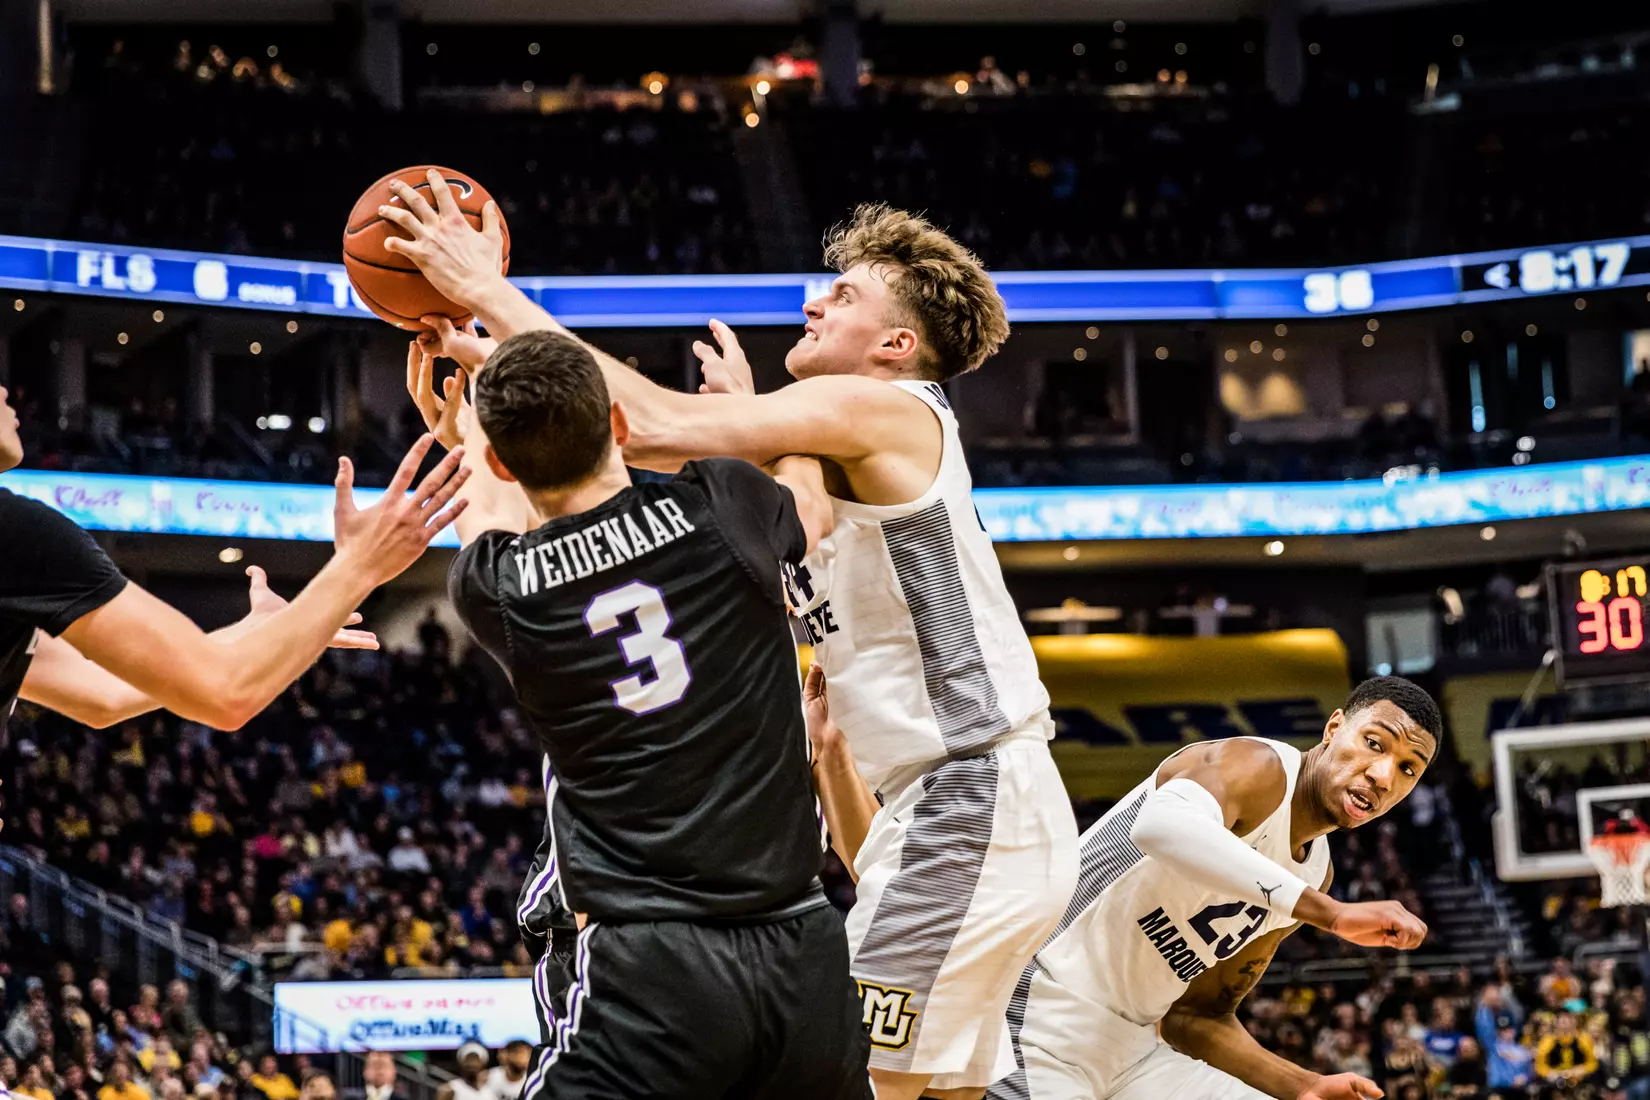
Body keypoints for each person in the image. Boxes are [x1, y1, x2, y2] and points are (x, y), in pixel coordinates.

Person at [391, 168, 1077, 1100]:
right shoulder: (832, 455)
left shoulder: (891, 407)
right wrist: (746, 426)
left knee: (867, 1088)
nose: (814, 302)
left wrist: (486, 292)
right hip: (957, 809)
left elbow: (644, 425)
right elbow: (671, 474)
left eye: (845, 296)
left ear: (897, 345)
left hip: (966, 799)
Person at [427, 329, 869, 1100]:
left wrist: (469, 418)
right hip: (802, 945)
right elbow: (810, 500)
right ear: (620, 424)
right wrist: (757, 415)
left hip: (655, 967)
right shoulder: (721, 501)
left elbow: (490, 511)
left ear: (499, 461)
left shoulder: (498, 587)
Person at [964, 676, 1439, 1100]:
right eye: (1374, 744)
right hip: (1036, 1007)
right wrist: (1331, 914)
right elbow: (1159, 825)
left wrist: (1302, 1085)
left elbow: (1196, 1016)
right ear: (1333, 728)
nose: (1383, 776)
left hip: (1134, 1050)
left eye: (1407, 769)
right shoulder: (1258, 766)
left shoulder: (1316, 873)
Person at [0, 382, 466, 749]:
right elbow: (225, 694)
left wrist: (256, 630)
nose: (6, 392)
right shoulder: (16, 531)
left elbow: (102, 693)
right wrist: (360, 565)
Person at [1536, 1013, 1599, 1090]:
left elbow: (1592, 1063)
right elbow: (1540, 1065)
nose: (1565, 1025)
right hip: (1555, 1081)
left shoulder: (1583, 1038)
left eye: (1568, 1020)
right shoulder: (1548, 1040)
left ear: (1574, 1022)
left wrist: (1583, 1069)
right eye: (1562, 1021)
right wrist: (1549, 1072)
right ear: (1556, 1023)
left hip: (1579, 1080)